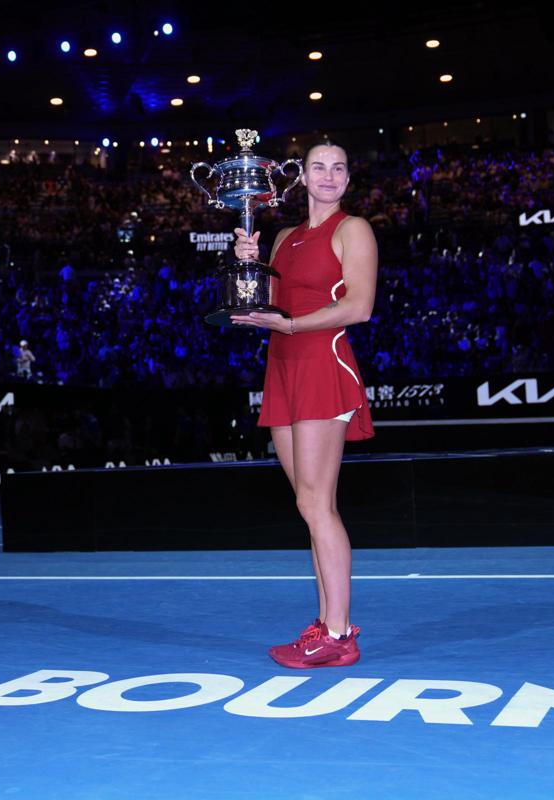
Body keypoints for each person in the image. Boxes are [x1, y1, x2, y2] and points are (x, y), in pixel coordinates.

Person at [230, 140, 377, 668]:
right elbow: (271, 303)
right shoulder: (284, 237)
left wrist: (290, 324)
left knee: (319, 505)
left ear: (347, 179)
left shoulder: (352, 229)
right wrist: (249, 266)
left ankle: (339, 634)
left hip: (322, 365)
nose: (329, 176)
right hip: (284, 368)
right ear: (303, 177)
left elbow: (358, 307)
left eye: (339, 168)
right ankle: (326, 623)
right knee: (307, 506)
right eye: (319, 167)